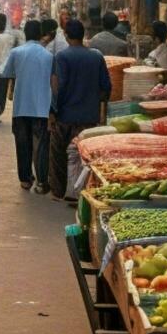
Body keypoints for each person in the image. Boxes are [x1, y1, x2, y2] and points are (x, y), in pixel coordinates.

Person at [49, 19, 112, 200]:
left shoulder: (61, 57)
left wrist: (52, 111)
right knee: (86, 158)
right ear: (83, 35)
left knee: (59, 154)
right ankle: (85, 192)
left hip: (65, 116)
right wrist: (100, 109)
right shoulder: (96, 56)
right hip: (88, 117)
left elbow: (57, 88)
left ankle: (58, 191)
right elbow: (106, 87)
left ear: (67, 36)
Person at [1, 19, 52, 192]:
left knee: (22, 143)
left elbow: (5, 72)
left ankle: (25, 179)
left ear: (25, 34)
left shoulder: (17, 52)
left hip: (21, 106)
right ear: (41, 34)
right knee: (41, 145)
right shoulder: (48, 56)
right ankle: (42, 180)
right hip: (42, 106)